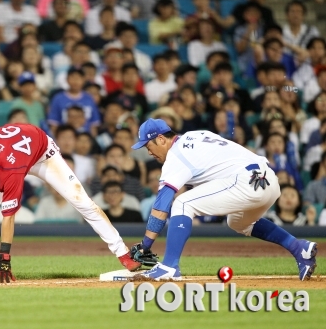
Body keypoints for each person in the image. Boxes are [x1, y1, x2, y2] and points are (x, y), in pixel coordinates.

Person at [0, 123, 148, 283]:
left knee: (82, 201)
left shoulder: (11, 174)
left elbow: (8, 218)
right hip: (14, 152)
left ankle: (123, 254)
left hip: (43, 154)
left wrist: (4, 256)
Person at [127, 118, 318, 281]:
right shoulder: (197, 134)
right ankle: (299, 248)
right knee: (237, 222)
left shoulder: (175, 156)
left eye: (147, 145)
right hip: (268, 180)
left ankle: (169, 267)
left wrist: (146, 245)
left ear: (161, 139)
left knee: (182, 203)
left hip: (246, 181)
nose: (148, 152)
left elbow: (162, 204)